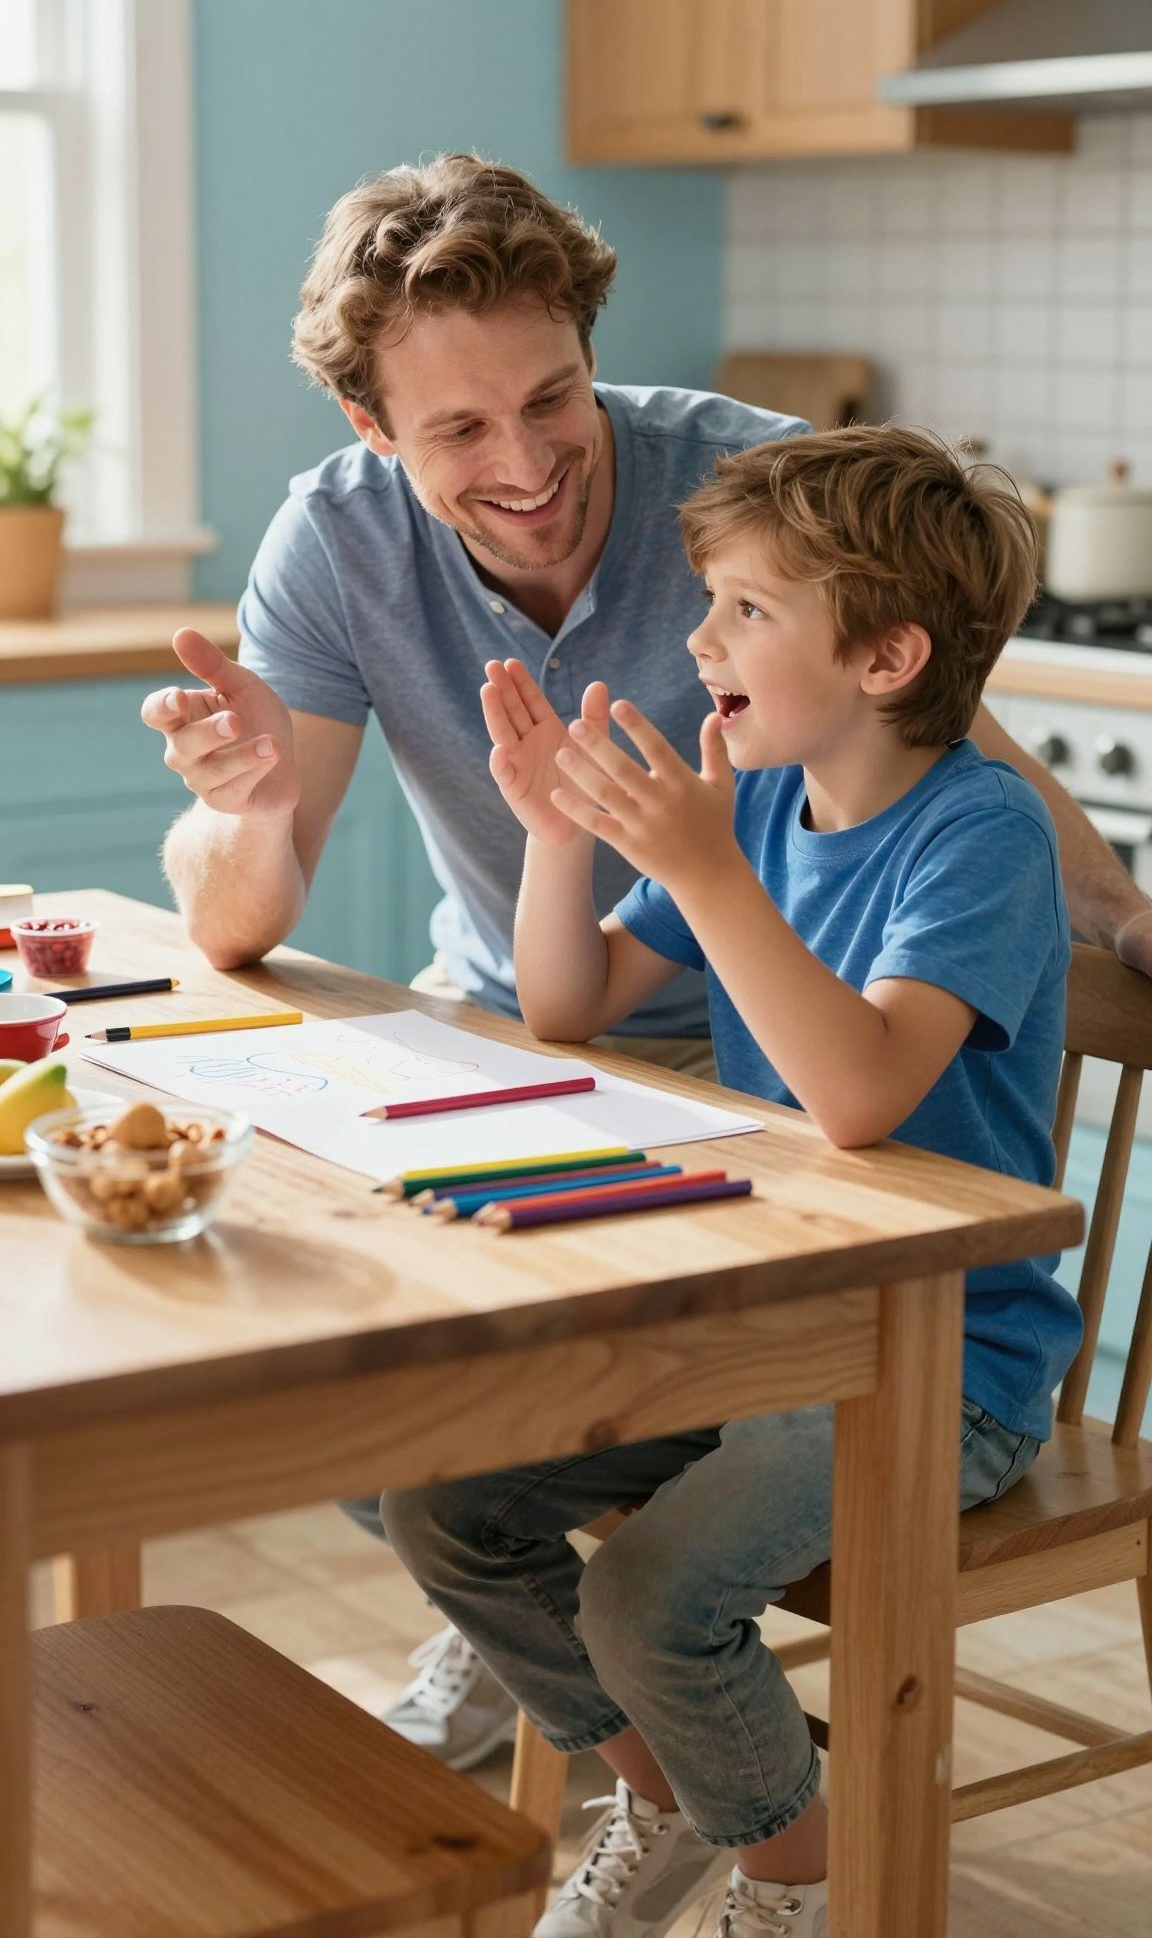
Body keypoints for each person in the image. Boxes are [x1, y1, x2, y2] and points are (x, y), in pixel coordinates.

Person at [141, 153, 1149, 1769]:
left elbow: (962, 762)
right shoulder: (334, 546)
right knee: (341, 1384)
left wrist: (1126, 919)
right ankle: (616, 1700)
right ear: (377, 436)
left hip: (778, 1099)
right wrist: (256, 807)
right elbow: (249, 917)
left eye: (556, 398)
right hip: (540, 1033)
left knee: (502, 1445)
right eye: (461, 430)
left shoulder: (752, 499)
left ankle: (678, 1728)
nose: (530, 461)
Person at [378, 424, 1085, 1938]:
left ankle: (791, 1871)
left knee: (648, 1596)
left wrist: (705, 872)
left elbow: (860, 1094)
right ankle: (697, 1796)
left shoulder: (981, 830)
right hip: (773, 1313)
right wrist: (553, 839)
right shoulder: (758, 801)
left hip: (940, 1362)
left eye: (747, 610)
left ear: (888, 657)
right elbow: (570, 1001)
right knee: (438, 1496)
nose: (700, 636)